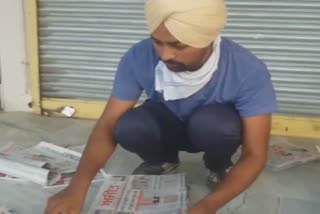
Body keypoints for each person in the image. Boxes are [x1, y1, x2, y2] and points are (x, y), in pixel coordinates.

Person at [45, 0, 277, 213]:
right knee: (129, 125)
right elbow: (107, 124)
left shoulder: (248, 70)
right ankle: (162, 160)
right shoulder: (138, 56)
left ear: (206, 38)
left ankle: (217, 165)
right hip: (166, 124)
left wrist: (208, 206)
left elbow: (255, 154)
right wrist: (77, 188)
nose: (165, 55)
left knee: (216, 125)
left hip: (211, 129)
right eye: (157, 41)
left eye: (178, 45)